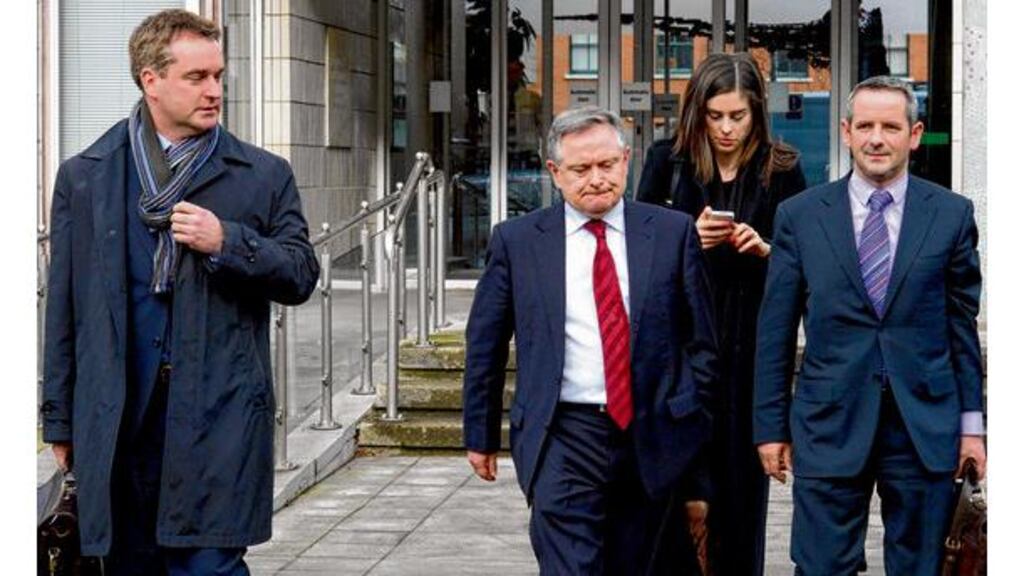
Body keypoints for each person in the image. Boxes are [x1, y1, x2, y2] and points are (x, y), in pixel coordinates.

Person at [40, 9, 320, 575]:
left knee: (210, 567)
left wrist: (228, 242)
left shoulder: (262, 174)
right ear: (150, 79)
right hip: (119, 424)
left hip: (218, 420)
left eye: (219, 75)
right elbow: (65, 309)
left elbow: (300, 273)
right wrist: (61, 422)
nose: (215, 91)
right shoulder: (87, 175)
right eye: (197, 78)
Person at [462, 106, 718, 575]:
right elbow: (486, 344)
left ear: (627, 159)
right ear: (555, 173)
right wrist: (479, 434)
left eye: (607, 165)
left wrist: (688, 423)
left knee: (636, 563)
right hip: (563, 431)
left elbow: (700, 343)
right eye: (581, 169)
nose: (597, 179)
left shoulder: (671, 232)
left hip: (650, 430)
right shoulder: (518, 242)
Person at [753, 76, 987, 575]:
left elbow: (961, 328)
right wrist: (770, 428)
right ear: (846, 131)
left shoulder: (950, 214)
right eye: (865, 126)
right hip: (829, 422)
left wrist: (973, 428)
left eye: (890, 126)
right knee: (820, 565)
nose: (876, 138)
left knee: (922, 565)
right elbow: (775, 332)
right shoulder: (800, 216)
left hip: (923, 425)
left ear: (915, 134)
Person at [636, 51, 807, 576]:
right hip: (683, 343)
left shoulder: (782, 167)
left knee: (740, 488)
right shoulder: (670, 160)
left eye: (738, 115)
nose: (727, 128)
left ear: (757, 111)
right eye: (716, 116)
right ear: (698, 112)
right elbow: (638, 253)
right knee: (678, 482)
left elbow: (806, 259)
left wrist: (766, 249)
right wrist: (689, 237)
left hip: (750, 342)